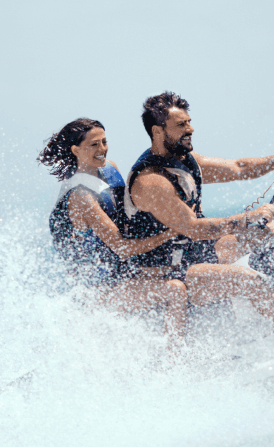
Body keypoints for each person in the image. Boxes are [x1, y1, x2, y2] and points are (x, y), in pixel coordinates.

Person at [124, 92, 274, 341]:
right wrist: (247, 218)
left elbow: (239, 168)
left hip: (195, 254)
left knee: (271, 231)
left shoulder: (186, 161)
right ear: (158, 131)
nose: (191, 128)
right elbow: (193, 228)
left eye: (189, 121)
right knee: (249, 281)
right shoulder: (151, 181)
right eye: (181, 125)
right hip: (166, 272)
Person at [38, 118, 189, 355]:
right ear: (75, 150)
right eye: (93, 145)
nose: (102, 149)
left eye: (104, 142)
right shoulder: (80, 196)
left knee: (185, 268)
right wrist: (174, 231)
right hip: (96, 291)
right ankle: (174, 361)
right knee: (175, 289)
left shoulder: (111, 169)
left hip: (123, 272)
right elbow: (122, 247)